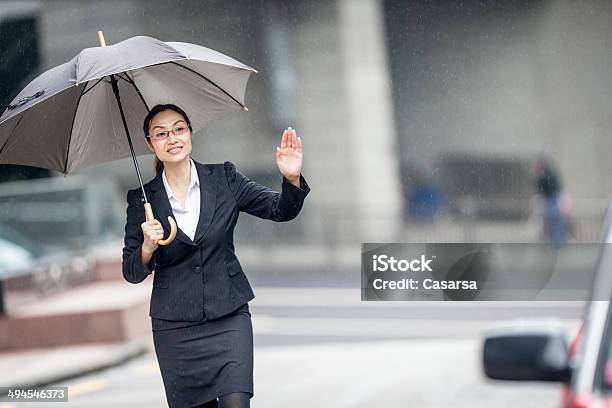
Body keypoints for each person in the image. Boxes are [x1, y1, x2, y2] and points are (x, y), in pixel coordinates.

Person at [121, 104, 310, 408]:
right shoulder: (142, 200)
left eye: (179, 128)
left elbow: (280, 210)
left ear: (190, 133)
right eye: (161, 133)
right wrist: (147, 247)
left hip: (228, 316)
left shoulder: (224, 178)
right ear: (149, 143)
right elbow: (131, 272)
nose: (172, 138)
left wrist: (291, 179)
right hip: (175, 328)